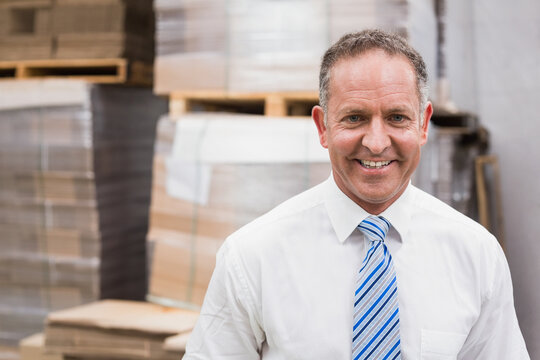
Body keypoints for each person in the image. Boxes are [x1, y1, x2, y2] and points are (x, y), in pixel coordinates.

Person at [183, 29, 529, 359]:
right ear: (323, 127)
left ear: (423, 125)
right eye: (354, 118)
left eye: (396, 117)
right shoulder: (252, 258)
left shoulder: (477, 256)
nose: (376, 142)